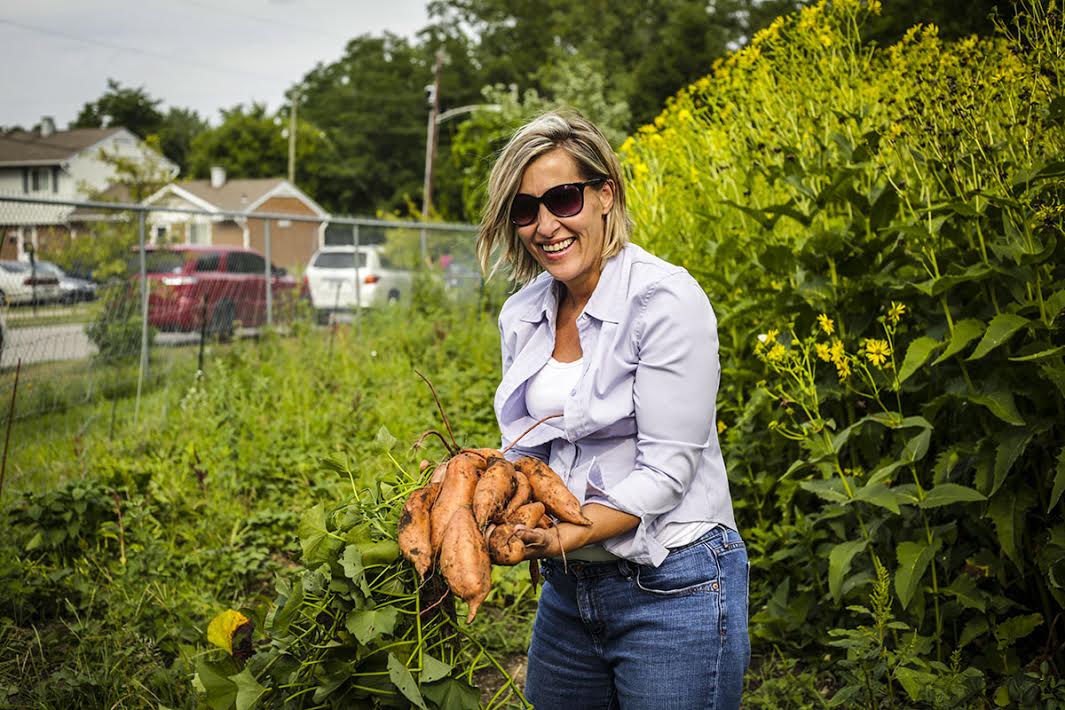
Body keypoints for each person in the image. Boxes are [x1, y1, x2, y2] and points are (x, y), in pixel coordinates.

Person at [476, 110, 749, 709]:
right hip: (569, 590)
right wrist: (469, 499)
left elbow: (666, 473)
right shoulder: (523, 313)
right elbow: (528, 455)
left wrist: (562, 534)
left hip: (674, 583)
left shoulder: (664, 299)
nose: (545, 226)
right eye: (525, 209)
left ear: (605, 195)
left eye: (563, 199)